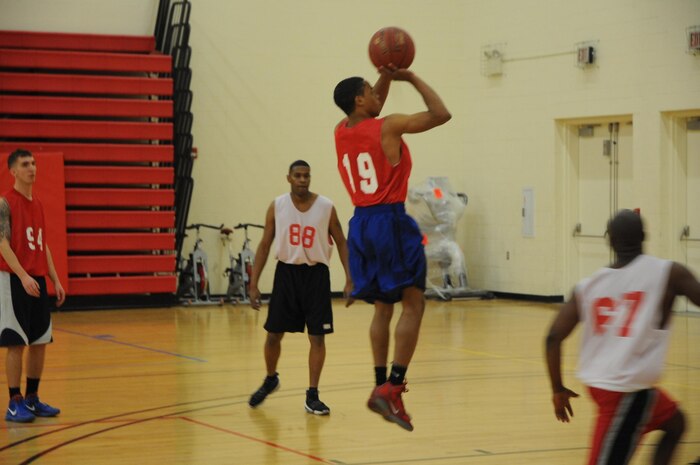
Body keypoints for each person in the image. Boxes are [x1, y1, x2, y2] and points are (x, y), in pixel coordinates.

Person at [333, 67, 451, 431]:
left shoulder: (342, 131)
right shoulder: (388, 126)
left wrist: (383, 74)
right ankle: (395, 385)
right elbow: (440, 114)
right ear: (358, 99)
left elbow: (375, 104)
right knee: (414, 303)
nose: (377, 95)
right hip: (390, 221)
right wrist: (411, 77)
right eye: (370, 90)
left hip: (361, 224)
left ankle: (379, 384)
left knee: (384, 306)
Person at [545, 209, 700, 465]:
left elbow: (553, 338)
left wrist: (557, 389)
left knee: (676, 423)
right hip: (625, 391)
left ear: (608, 240)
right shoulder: (669, 272)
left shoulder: (589, 285)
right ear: (644, 236)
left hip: (610, 386)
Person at [247, 160, 352, 415]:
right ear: (289, 178)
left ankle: (312, 395)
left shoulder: (326, 206)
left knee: (317, 336)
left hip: (316, 275)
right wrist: (253, 283)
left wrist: (350, 278)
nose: (303, 180)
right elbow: (263, 245)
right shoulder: (278, 205)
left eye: (306, 176)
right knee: (273, 334)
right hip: (286, 274)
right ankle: (271, 378)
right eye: (298, 175)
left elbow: (341, 242)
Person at [0, 149, 65, 423]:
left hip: (36, 279)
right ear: (13, 171)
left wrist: (55, 278)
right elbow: (2, 244)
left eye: (34, 163)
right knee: (16, 342)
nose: (32, 168)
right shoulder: (5, 203)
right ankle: (14, 402)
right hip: (15, 278)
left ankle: (32, 398)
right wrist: (23, 276)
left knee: (40, 342)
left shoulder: (37, 203)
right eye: (25, 164)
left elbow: (42, 244)